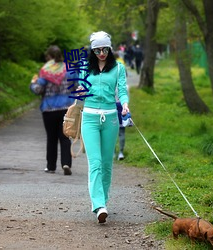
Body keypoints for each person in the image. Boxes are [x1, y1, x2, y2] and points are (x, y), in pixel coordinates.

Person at [77, 31, 129, 223]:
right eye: (97, 49)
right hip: (89, 118)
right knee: (96, 163)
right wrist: (79, 92)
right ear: (92, 50)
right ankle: (99, 205)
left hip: (111, 119)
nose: (101, 53)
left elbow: (122, 90)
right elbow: (79, 89)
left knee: (107, 164)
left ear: (110, 48)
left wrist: (125, 104)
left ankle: (103, 201)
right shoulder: (84, 67)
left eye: (105, 49)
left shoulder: (118, 68)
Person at [30, 45, 77, 175]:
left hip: (49, 109)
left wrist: (33, 83)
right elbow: (77, 86)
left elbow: (38, 90)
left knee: (51, 138)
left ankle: (51, 167)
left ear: (49, 57)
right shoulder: (69, 69)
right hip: (67, 109)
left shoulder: (45, 71)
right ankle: (66, 163)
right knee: (65, 136)